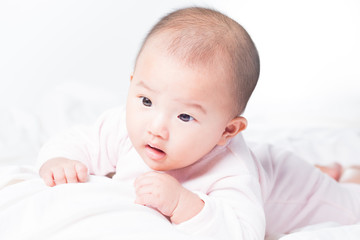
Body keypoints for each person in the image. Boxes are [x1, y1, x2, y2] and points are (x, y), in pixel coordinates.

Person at [37, 7, 360, 239]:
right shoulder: (124, 124)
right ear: (133, 84)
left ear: (227, 131)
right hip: (269, 168)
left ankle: (341, 177)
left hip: (299, 193)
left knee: (348, 202)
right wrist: (61, 160)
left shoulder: (231, 172)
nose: (156, 127)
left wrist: (182, 203)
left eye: (185, 116)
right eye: (146, 101)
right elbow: (81, 141)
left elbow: (243, 232)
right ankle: (329, 167)